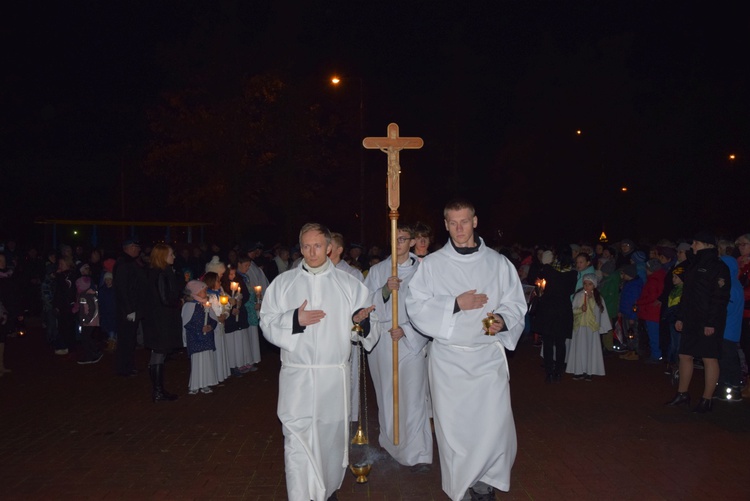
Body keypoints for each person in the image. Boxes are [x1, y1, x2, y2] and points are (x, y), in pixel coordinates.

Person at [405, 199, 527, 501]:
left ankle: (485, 482)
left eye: (464, 221)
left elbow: (515, 303)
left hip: (487, 357)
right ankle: (462, 482)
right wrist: (455, 304)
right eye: (453, 222)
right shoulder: (432, 265)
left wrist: (503, 319)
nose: (459, 228)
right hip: (449, 359)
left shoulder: (498, 263)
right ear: (446, 225)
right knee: (456, 428)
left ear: (475, 221)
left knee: (493, 424)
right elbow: (415, 306)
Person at [260, 223, 378, 501]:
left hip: (332, 379)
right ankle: (301, 495)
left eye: (317, 246)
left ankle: (326, 489)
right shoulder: (284, 283)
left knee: (329, 439)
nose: (311, 252)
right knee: (296, 440)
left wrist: (361, 322)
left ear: (328, 248)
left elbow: (362, 328)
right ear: (300, 248)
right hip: (297, 377)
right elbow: (266, 321)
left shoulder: (349, 285)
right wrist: (293, 320)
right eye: (305, 246)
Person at [364, 223, 433, 467]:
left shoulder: (424, 271)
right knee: (387, 394)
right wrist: (384, 291)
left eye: (403, 239)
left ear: (413, 241)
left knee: (413, 396)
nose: (398, 243)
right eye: (395, 239)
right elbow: (365, 306)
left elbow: (431, 309)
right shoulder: (378, 270)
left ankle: (418, 453)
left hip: (411, 341)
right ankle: (391, 442)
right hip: (384, 340)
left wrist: (409, 330)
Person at [667, 232, 730, 413]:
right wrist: (680, 317)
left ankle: (707, 399)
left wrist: (711, 322)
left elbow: (720, 298)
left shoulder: (719, 267)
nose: (692, 246)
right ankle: (682, 394)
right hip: (690, 319)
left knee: (709, 357)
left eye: (696, 243)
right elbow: (686, 294)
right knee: (684, 355)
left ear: (708, 245)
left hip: (708, 321)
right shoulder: (693, 264)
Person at [142, 244, 183, 402]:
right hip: (161, 320)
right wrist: (178, 301)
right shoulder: (161, 274)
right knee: (159, 353)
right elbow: (165, 298)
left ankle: (158, 390)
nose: (174, 257)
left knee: (157, 353)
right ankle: (158, 391)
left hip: (157, 319)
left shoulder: (157, 272)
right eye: (171, 254)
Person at [532, 245, 577, 383]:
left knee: (548, 342)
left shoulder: (548, 269)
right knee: (560, 343)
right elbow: (570, 291)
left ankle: (549, 372)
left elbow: (538, 281)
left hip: (548, 308)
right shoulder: (573, 273)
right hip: (563, 308)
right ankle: (558, 372)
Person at [566, 273, 611, 381]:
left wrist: (590, 302)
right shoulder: (579, 295)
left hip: (591, 328)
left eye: (590, 284)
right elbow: (572, 310)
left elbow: (599, 313)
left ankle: (589, 371)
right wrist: (581, 309)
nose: (587, 286)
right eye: (585, 284)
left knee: (590, 348)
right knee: (579, 348)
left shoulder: (597, 298)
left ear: (594, 285)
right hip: (580, 326)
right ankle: (578, 370)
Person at [113, 238, 147, 377]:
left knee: (130, 339)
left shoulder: (128, 262)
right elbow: (122, 288)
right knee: (126, 339)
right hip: (127, 310)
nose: (139, 250)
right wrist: (129, 310)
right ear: (130, 247)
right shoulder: (124, 263)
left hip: (131, 308)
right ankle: (124, 368)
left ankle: (129, 366)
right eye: (136, 247)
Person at [182, 280, 219, 394]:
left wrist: (210, 326)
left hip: (206, 339)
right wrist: (199, 329)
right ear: (196, 293)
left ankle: (206, 383)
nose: (205, 293)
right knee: (197, 362)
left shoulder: (205, 304)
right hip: (195, 339)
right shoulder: (189, 306)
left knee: (207, 360)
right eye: (203, 291)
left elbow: (213, 319)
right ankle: (195, 385)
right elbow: (187, 323)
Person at [715, 255, 744, 401]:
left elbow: (727, 309)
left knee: (728, 360)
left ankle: (732, 388)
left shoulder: (731, 287)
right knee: (724, 359)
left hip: (728, 330)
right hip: (726, 329)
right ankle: (724, 386)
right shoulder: (731, 284)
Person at [636, 259, 666, 363]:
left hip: (651, 312)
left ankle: (656, 355)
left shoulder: (654, 280)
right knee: (655, 334)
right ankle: (657, 354)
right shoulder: (660, 277)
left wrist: (639, 302)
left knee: (654, 335)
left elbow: (651, 296)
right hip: (654, 311)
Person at [237, 256, 261, 372]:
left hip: (249, 309)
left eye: (249, 266)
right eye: (246, 265)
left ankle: (250, 359)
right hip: (244, 310)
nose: (247, 268)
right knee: (245, 337)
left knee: (251, 336)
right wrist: (251, 304)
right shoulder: (238, 278)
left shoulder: (245, 277)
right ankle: (244, 361)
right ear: (239, 264)